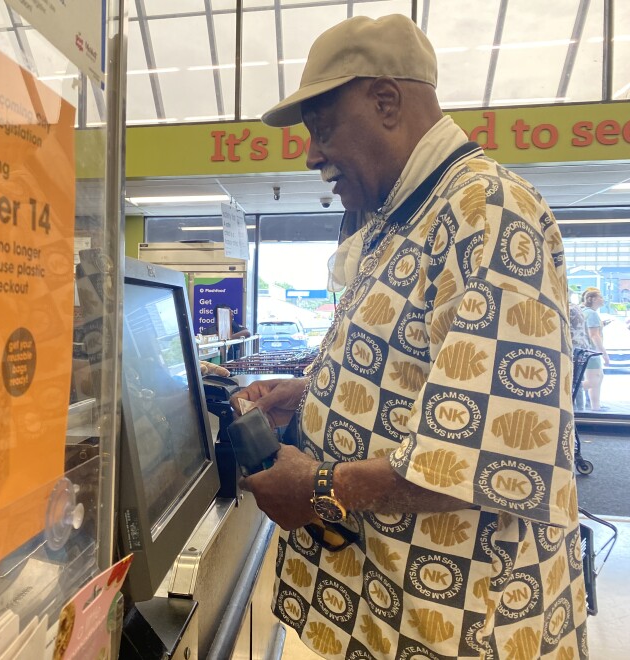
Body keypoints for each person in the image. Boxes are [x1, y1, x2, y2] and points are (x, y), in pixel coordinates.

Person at [232, 14, 587, 659]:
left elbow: (495, 453)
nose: (312, 155)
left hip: (461, 628)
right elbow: (424, 375)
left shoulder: (487, 212)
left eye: (322, 129)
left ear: (387, 102)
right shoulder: (403, 221)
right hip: (387, 617)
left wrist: (317, 488)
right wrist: (311, 392)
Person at [581, 287, 610, 411]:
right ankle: (569, 390)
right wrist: (604, 353)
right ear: (592, 299)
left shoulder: (586, 312)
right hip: (592, 352)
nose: (602, 299)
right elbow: (594, 335)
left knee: (598, 378)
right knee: (594, 380)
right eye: (600, 297)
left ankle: (596, 407)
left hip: (588, 351)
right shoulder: (592, 314)